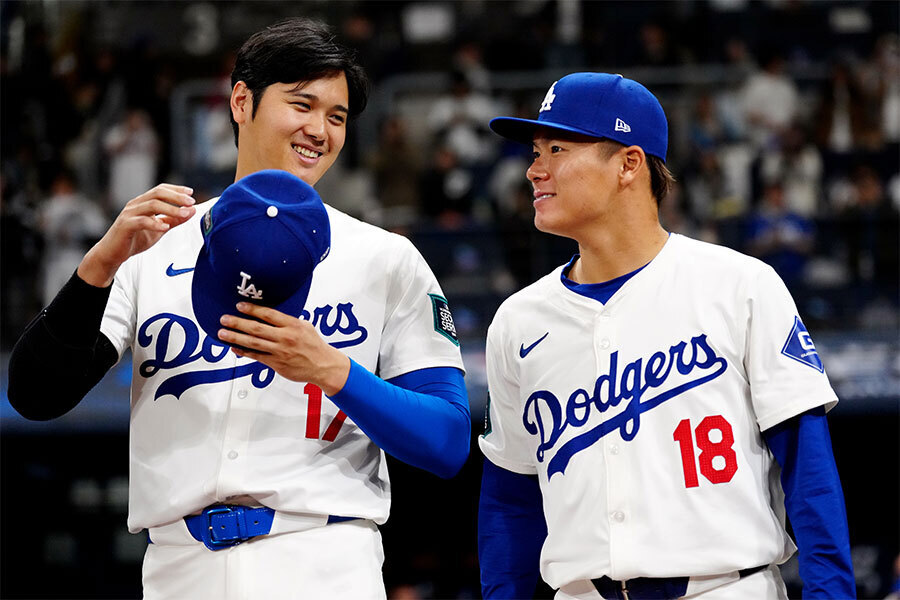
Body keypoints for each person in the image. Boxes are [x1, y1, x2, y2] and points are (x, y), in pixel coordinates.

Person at [8, 18, 470, 600]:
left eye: (337, 117)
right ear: (241, 100)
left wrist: (335, 372)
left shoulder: (383, 257)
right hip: (179, 568)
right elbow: (35, 395)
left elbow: (449, 440)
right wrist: (98, 267)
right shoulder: (154, 247)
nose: (320, 130)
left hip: (323, 560)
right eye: (302, 104)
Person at [477, 72, 855, 600]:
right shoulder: (518, 320)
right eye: (535, 152)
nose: (534, 170)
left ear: (629, 163)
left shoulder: (740, 285)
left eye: (556, 148)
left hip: (725, 587)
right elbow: (509, 500)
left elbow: (808, 473)